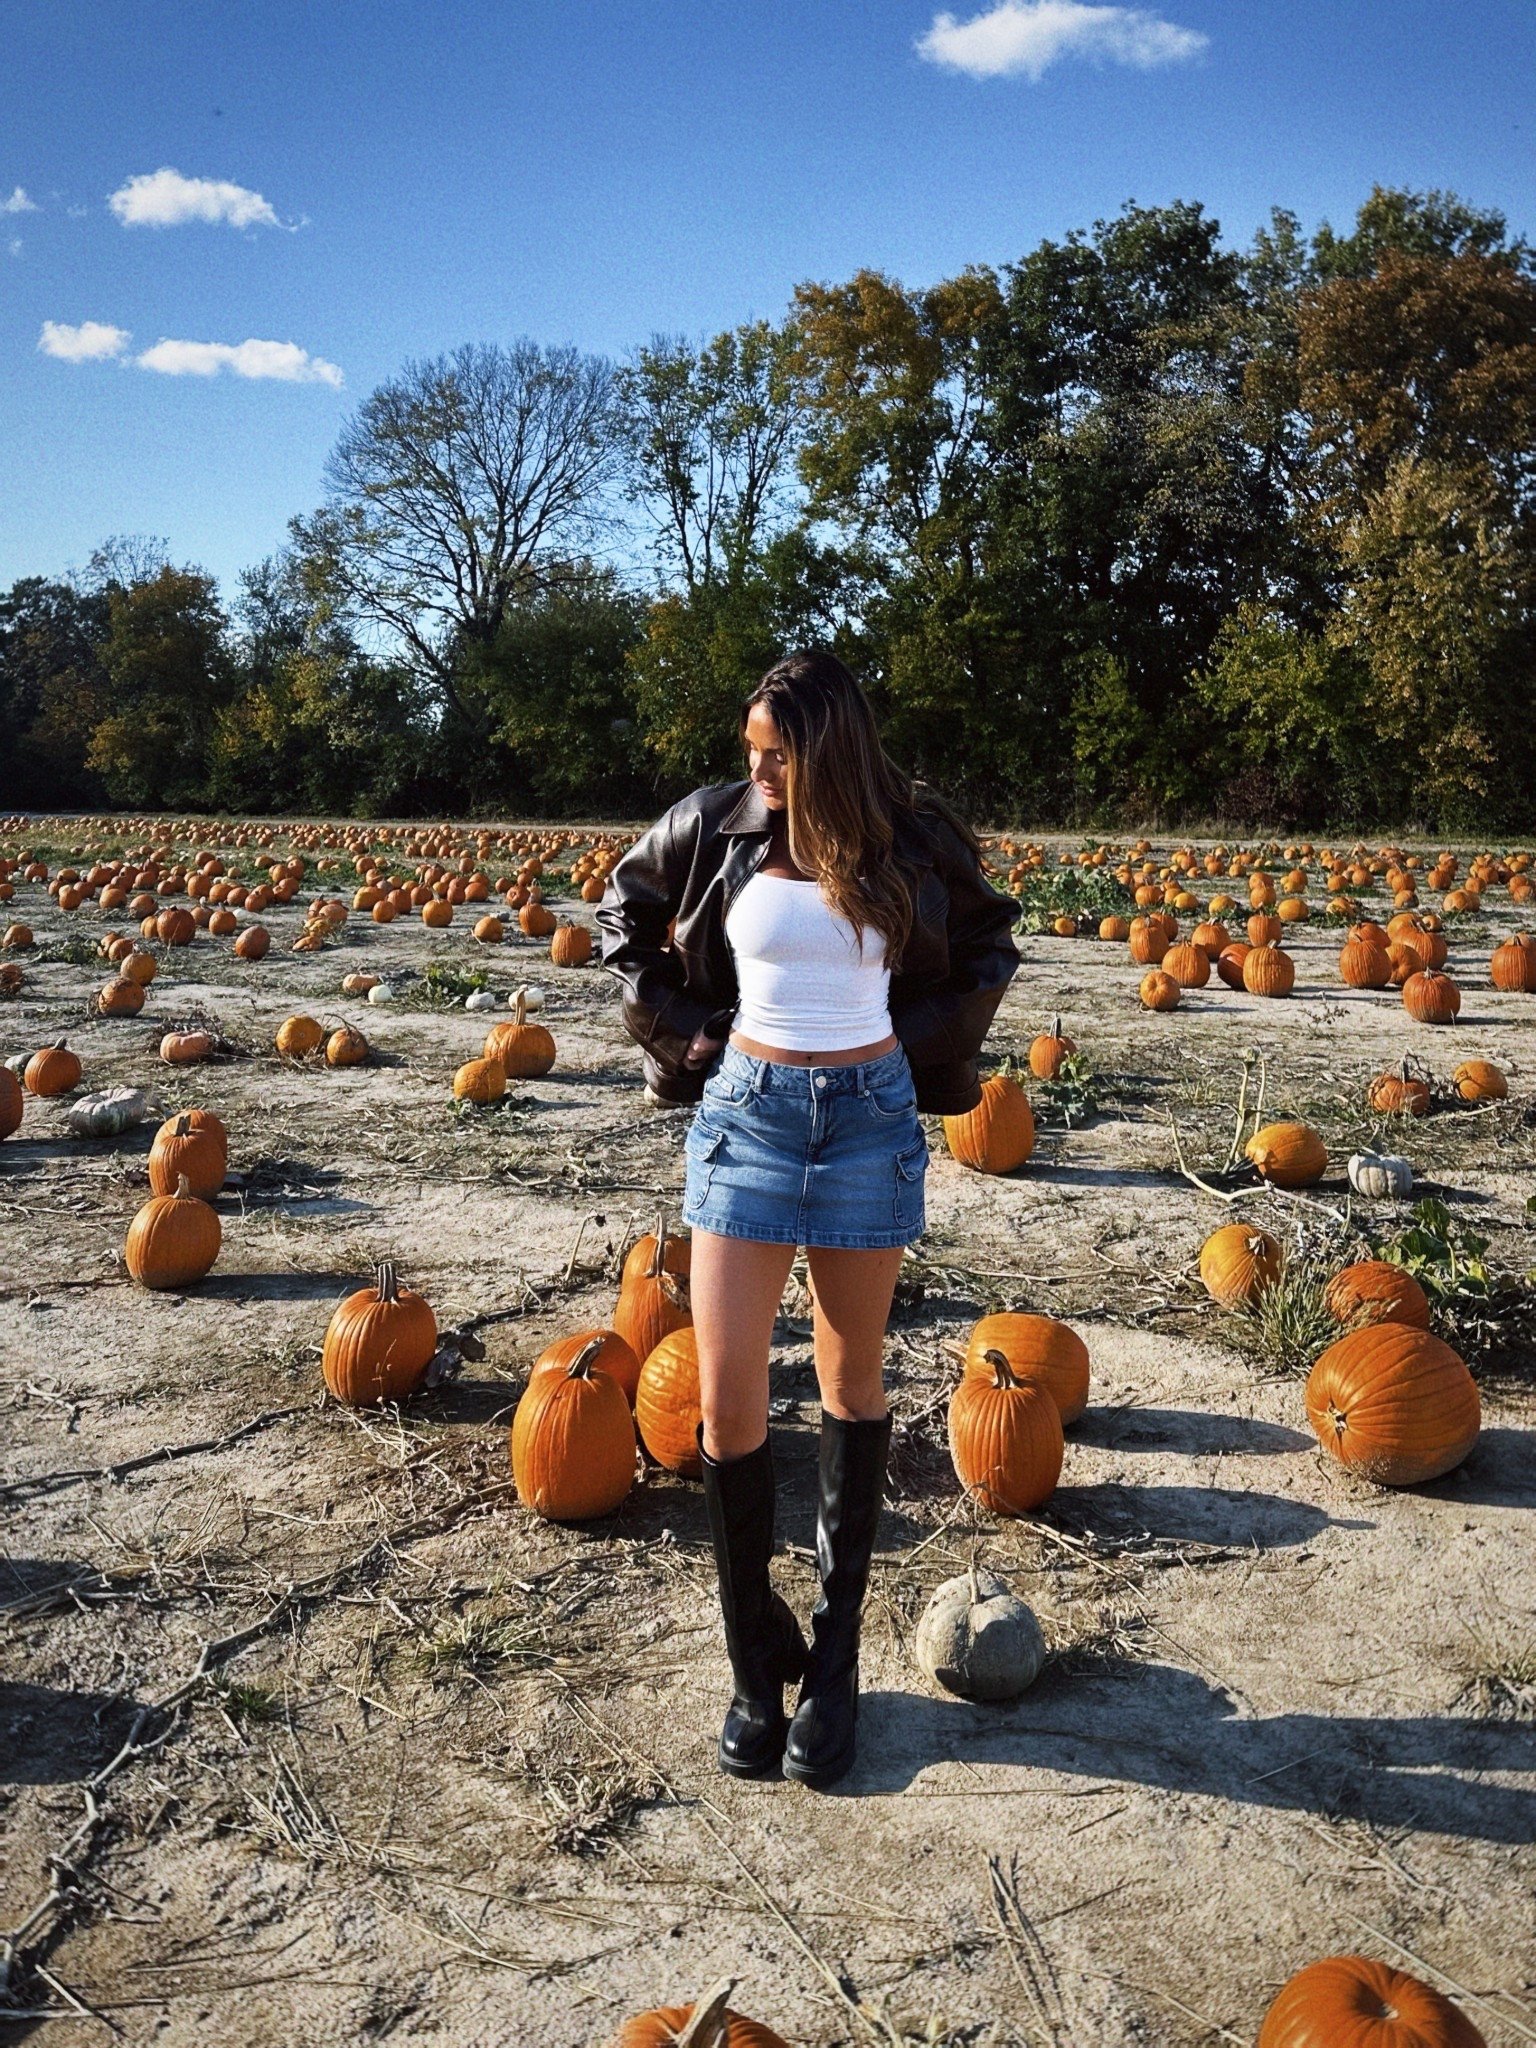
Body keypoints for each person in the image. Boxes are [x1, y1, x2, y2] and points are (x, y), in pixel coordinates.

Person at [597, 650, 1019, 1788]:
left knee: (851, 1383)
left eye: (776, 754)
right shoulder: (712, 824)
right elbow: (621, 916)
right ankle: (753, 1663)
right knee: (725, 1405)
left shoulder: (913, 837)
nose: (756, 770)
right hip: (748, 1116)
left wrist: (919, 1040)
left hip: (869, 1118)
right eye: (750, 752)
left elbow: (989, 941)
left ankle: (830, 1668)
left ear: (828, 748)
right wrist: (689, 1035)